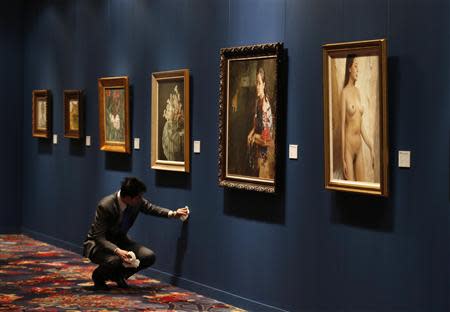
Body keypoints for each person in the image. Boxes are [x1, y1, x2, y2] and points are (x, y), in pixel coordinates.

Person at [83, 177, 189, 290]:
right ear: (128, 197)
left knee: (148, 256)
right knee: (116, 260)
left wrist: (173, 214)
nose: (141, 199)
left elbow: (151, 208)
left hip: (120, 240)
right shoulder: (106, 205)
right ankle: (99, 276)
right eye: (139, 197)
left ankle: (119, 275)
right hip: (98, 246)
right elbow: (98, 237)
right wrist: (117, 251)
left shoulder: (137, 201)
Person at [340, 54, 375, 181]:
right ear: (349, 69)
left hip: (359, 147)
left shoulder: (358, 92)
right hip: (348, 148)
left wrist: (371, 146)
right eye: (355, 66)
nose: (357, 70)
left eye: (358, 67)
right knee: (350, 189)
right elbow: (343, 127)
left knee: (363, 186)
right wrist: (343, 157)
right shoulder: (344, 93)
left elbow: (361, 127)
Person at [247, 67, 275, 179]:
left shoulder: (265, 106)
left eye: (259, 83)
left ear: (264, 84)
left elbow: (267, 140)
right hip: (257, 153)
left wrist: (254, 138)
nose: (257, 87)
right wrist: (250, 133)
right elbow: (256, 125)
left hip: (265, 156)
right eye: (256, 83)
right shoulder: (257, 102)